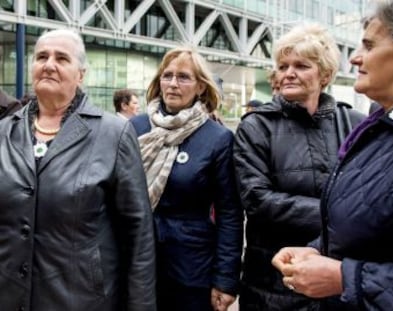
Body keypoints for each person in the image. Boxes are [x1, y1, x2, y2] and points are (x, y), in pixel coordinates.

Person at [0, 29, 156, 310]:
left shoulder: (114, 133)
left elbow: (138, 233)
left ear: (80, 74)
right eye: (42, 57)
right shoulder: (4, 132)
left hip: (80, 299)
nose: (49, 64)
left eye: (62, 58)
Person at [272, 1, 393, 310]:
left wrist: (345, 278)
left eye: (369, 45)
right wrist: (318, 252)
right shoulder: (377, 127)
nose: (355, 57)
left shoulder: (358, 123)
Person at [233, 23, 365, 311]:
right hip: (273, 284)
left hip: (336, 278)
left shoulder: (354, 123)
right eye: (283, 66)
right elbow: (257, 200)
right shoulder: (257, 126)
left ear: (325, 75)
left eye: (301, 65)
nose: (288, 73)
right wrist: (338, 215)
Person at [130, 46, 243, 311]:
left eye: (183, 77)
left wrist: (225, 280)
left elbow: (230, 213)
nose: (172, 84)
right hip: (137, 258)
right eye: (167, 76)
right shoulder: (136, 128)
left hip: (191, 269)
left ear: (201, 87)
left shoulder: (217, 138)